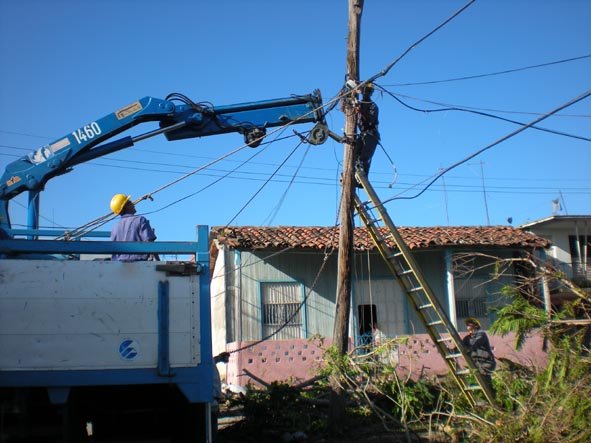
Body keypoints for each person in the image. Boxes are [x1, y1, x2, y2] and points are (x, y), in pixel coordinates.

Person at [109, 193, 159, 262]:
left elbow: (114, 251)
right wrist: (158, 261)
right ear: (126, 207)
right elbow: (150, 244)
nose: (133, 204)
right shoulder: (140, 220)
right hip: (139, 264)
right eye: (130, 202)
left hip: (119, 267)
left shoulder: (115, 228)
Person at [462, 317, 496, 392]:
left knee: (485, 382)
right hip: (477, 364)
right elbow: (459, 347)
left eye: (470, 323)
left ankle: (491, 396)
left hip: (486, 363)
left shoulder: (481, 334)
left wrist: (470, 348)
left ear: (476, 325)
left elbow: (478, 343)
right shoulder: (467, 338)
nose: (468, 325)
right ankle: (488, 395)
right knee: (480, 382)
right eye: (467, 323)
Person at [355, 82, 380, 181]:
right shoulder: (358, 104)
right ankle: (355, 178)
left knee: (364, 159)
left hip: (371, 135)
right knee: (354, 155)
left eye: (368, 91)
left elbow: (370, 121)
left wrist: (360, 110)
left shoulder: (373, 106)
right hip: (362, 135)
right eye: (365, 90)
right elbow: (346, 110)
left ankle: (362, 179)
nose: (366, 93)